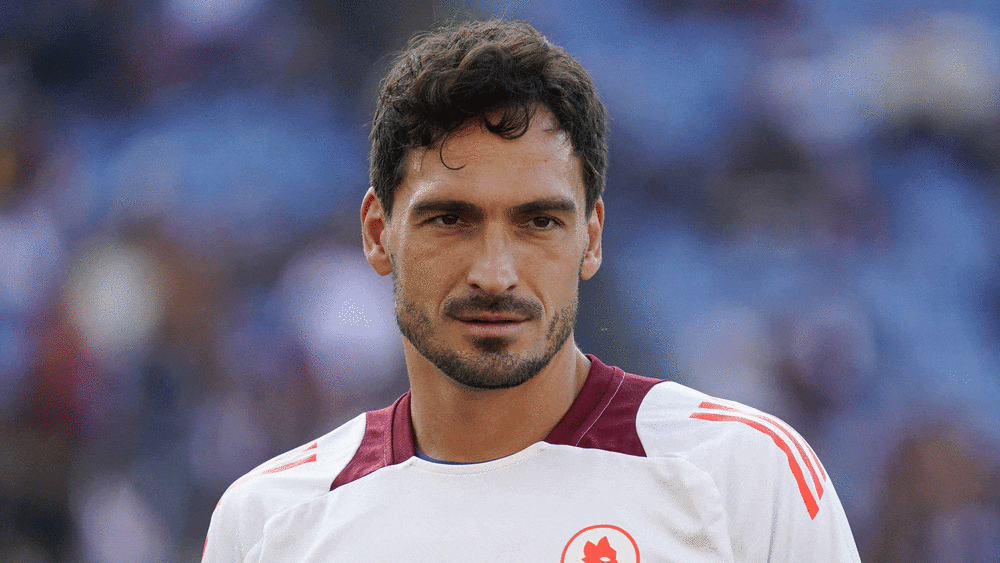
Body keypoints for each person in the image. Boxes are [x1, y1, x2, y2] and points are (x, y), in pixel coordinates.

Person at [202, 19, 861, 562]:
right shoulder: (268, 524)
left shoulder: (744, 477)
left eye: (538, 221)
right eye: (450, 219)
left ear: (591, 239)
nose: (495, 272)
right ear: (378, 233)